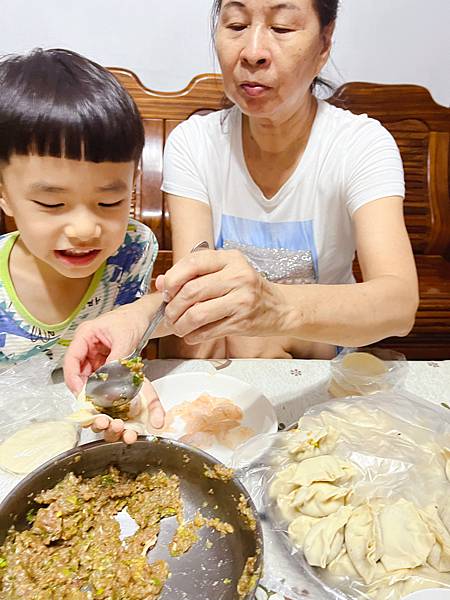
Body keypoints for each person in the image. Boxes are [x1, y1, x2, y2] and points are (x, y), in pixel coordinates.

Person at [64, 0, 418, 384]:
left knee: (253, 342)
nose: (252, 53)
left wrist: (272, 308)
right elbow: (193, 292)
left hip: (318, 348)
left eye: (282, 28)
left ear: (324, 44)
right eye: (235, 25)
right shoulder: (196, 142)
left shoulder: (359, 144)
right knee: (198, 341)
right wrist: (132, 317)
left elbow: (397, 303)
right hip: (223, 342)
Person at [0, 48, 164, 441]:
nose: (85, 229)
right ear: (4, 193)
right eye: (52, 203)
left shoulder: (133, 248)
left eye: (109, 202)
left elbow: (157, 311)